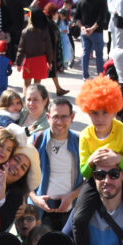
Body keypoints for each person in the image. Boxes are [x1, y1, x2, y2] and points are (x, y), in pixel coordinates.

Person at [31, 96, 83, 232]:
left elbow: (91, 179)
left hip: (70, 212)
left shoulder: (80, 142)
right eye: (55, 117)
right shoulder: (36, 140)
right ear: (48, 117)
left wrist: (71, 196)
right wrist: (35, 199)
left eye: (64, 117)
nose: (59, 122)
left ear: (72, 117)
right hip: (40, 212)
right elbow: (22, 176)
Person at [76, 75, 123, 181]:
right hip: (97, 181)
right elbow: (84, 172)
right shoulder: (85, 135)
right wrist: (91, 160)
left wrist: (118, 159)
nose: (100, 118)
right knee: (83, 198)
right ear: (88, 112)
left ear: (114, 113)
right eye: (94, 113)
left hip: (122, 181)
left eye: (105, 112)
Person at [76, 0, 109, 80]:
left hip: (85, 31)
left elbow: (76, 18)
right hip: (96, 32)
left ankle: (85, 75)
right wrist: (92, 28)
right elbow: (101, 18)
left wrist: (83, 28)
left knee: (86, 53)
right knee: (99, 55)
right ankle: (99, 75)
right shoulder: (101, 1)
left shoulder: (82, 0)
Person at [16, 8, 54, 91]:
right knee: (37, 85)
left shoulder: (25, 32)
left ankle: (27, 101)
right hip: (41, 60)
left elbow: (21, 49)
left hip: (29, 61)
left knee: (26, 84)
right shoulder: (44, 31)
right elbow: (49, 48)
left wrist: (19, 63)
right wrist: (50, 61)